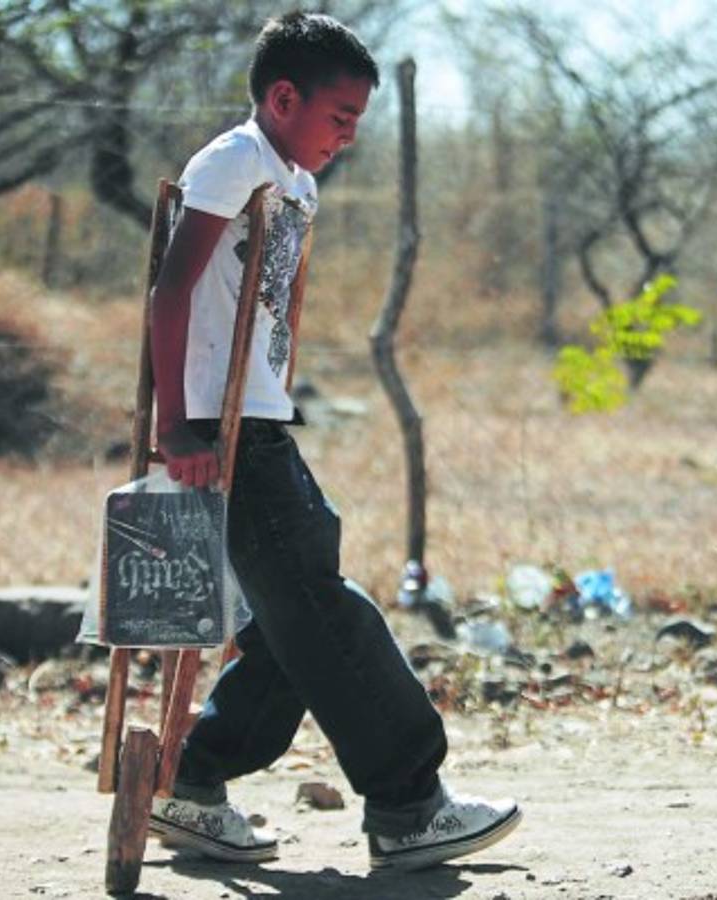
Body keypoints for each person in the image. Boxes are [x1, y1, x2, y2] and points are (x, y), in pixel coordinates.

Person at [145, 11, 521, 871]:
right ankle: (408, 805)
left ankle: (191, 784)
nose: (348, 136)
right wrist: (175, 423)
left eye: (356, 120)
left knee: (292, 614)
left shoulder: (295, 182)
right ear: (284, 98)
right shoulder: (234, 160)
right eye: (339, 116)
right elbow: (171, 292)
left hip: (259, 417)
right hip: (220, 423)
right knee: (317, 604)